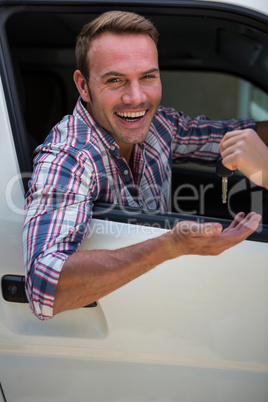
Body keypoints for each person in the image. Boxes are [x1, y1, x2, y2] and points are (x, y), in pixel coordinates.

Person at [23, 10, 266, 321]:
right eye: (115, 80)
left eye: (148, 77)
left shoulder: (160, 125)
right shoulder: (68, 157)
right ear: (83, 86)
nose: (136, 98)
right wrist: (169, 245)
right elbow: (44, 289)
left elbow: (238, 135)